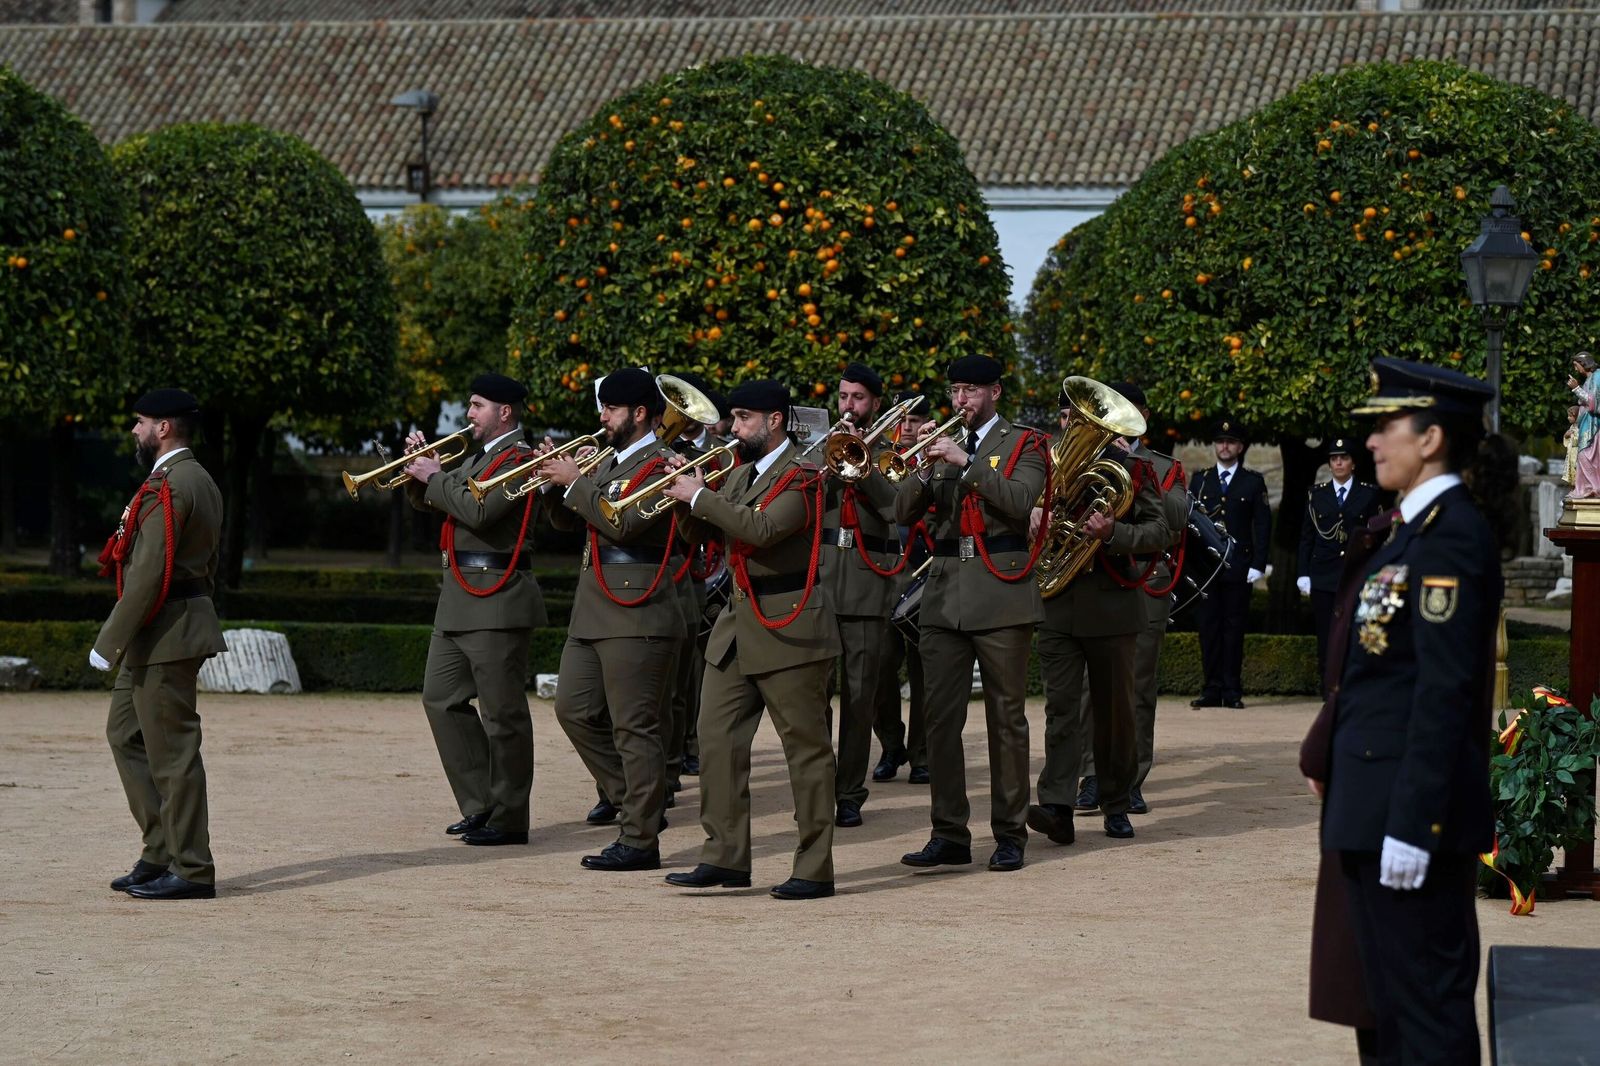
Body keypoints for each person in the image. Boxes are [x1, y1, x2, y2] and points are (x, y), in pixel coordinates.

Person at [1302, 357, 1509, 1064]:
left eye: (1386, 426)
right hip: (1371, 807)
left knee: (1424, 1016)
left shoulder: (1451, 536)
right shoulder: (1409, 531)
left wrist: (1415, 828)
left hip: (1406, 815)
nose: (1370, 442)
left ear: (1431, 438)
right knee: (1384, 1014)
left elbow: (1444, 695)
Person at [659, 380, 841, 901]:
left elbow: (761, 530)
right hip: (738, 623)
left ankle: (815, 868)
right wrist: (683, 499)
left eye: (743, 418)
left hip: (789, 624)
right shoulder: (739, 474)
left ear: (774, 420)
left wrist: (701, 497)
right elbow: (703, 535)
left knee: (805, 752)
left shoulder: (804, 475)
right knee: (715, 739)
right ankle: (724, 857)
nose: (732, 427)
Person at [895, 354, 1048, 873]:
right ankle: (948, 833)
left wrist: (966, 461)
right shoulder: (939, 442)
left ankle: (1010, 834)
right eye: (956, 390)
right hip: (943, 593)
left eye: (971, 391)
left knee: (1006, 720)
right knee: (939, 720)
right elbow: (900, 510)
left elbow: (1021, 499)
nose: (961, 400)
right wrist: (922, 466)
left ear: (995, 393)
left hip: (1001, 591)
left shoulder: (1024, 443)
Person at [539, 368, 684, 871]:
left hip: (636, 608)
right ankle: (641, 804)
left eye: (611, 408)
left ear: (639, 413)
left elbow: (624, 523)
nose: (601, 416)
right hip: (594, 608)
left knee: (634, 728)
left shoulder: (662, 464)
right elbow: (568, 520)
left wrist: (577, 482)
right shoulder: (606, 460)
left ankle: (640, 840)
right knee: (573, 710)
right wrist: (552, 483)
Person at [92, 388, 227, 901]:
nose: (135, 430)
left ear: (164, 427)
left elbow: (149, 572)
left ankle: (192, 868)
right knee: (125, 734)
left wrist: (109, 641)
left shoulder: (177, 481)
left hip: (166, 630)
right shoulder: (188, 478)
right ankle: (160, 849)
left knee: (173, 753)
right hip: (162, 628)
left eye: (141, 421)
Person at [405, 372, 546, 846]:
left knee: (502, 715)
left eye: (477, 405)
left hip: (497, 597)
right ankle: (481, 802)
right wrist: (417, 472)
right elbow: (442, 503)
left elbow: (479, 512)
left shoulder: (522, 460)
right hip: (460, 597)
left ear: (504, 412)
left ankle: (510, 817)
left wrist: (435, 476)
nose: (468, 414)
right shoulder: (476, 458)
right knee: (439, 699)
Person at [1027, 379, 1169, 844]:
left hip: (1112, 606)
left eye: (1081, 418)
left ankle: (1116, 802)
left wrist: (1113, 533)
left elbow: (1159, 531)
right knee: (1060, 711)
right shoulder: (1044, 465)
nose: (1074, 425)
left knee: (1114, 714)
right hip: (1058, 604)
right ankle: (1057, 806)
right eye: (1070, 417)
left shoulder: (1134, 469)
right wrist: (1034, 517)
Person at [1067, 382, 1188, 818]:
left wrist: (1133, 468)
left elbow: (1176, 518)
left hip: (1142, 579)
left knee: (1136, 686)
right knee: (1087, 686)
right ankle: (1091, 775)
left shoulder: (1164, 465)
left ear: (1144, 417)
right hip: (1090, 576)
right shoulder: (1084, 456)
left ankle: (1131, 778)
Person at [819, 362, 902, 828]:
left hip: (868, 586)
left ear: (876, 403)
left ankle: (849, 793)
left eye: (858, 398)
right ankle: (817, 787)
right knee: (813, 697)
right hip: (822, 582)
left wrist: (860, 460)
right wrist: (829, 458)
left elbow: (896, 506)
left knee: (858, 699)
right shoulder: (821, 446)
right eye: (843, 396)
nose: (848, 405)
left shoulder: (894, 452)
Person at [1188, 419, 1271, 709]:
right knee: (1208, 628)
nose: (1224, 446)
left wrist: (1259, 563)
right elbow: (1191, 523)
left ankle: (1232, 690)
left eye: (1231, 442)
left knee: (1234, 630)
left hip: (1238, 565)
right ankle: (1211, 689)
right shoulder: (1201, 479)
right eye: (1221, 441)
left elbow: (1262, 525)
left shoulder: (1252, 481)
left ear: (1240, 447)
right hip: (1208, 568)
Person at [873, 389, 933, 785]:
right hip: (888, 576)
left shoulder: (935, 454)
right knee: (879, 668)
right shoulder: (879, 459)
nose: (907, 428)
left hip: (926, 572)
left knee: (925, 671)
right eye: (903, 421)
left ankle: (922, 754)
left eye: (914, 421)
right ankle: (891, 744)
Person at [1296, 438, 1381, 689]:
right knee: (1326, 634)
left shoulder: (1368, 493)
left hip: (1355, 575)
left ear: (1353, 463)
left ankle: (1351, 687)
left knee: (1353, 632)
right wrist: (1303, 573)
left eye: (1344, 458)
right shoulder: (1316, 494)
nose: (1339, 463)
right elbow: (1307, 537)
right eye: (1334, 459)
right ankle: (1329, 688)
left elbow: (1376, 537)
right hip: (1323, 575)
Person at [1566, 351, 1600, 497]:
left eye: (1576, 365)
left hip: (1593, 424)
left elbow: (1594, 403)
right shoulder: (1589, 379)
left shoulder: (1597, 376)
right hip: (1587, 422)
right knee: (1584, 455)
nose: (1575, 369)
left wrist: (1576, 388)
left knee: (1586, 455)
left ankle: (1594, 487)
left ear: (1584, 363)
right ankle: (1588, 487)